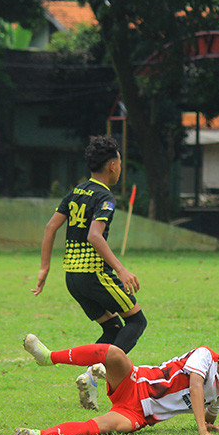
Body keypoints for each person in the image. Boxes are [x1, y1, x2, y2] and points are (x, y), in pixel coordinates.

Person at [31, 135, 147, 410]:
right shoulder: (105, 197)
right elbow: (95, 236)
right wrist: (121, 269)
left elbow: (50, 227)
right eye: (119, 163)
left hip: (72, 277)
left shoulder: (77, 191)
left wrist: (44, 267)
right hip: (94, 274)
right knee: (136, 322)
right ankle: (100, 369)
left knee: (112, 327)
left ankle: (89, 378)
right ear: (113, 166)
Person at [13, 334, 219, 435]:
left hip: (138, 414)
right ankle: (49, 357)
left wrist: (208, 424)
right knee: (114, 353)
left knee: (106, 427)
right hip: (135, 382)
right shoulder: (206, 356)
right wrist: (201, 430)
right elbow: (195, 386)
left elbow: (211, 413)